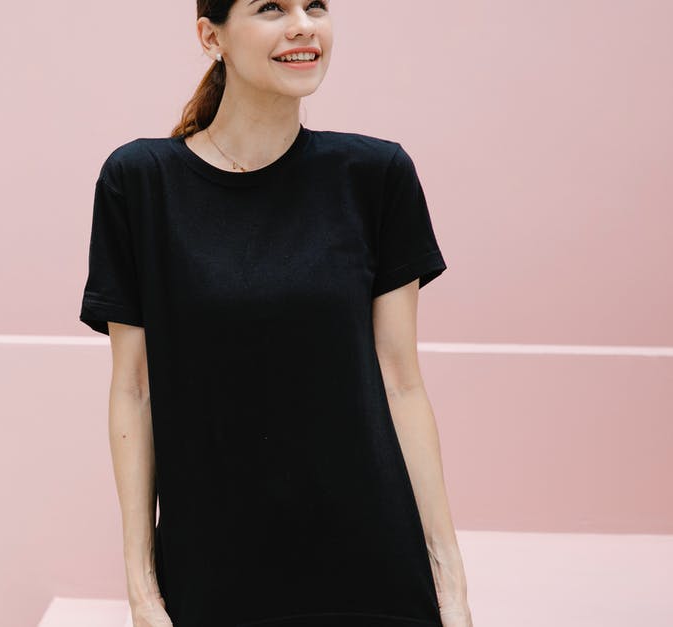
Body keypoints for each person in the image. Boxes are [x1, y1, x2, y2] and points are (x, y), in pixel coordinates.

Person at [79, 2, 474, 625]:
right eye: (270, 8)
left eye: (314, 5)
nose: (302, 25)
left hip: (373, 572)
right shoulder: (141, 183)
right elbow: (134, 391)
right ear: (212, 37)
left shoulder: (375, 176)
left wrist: (450, 583)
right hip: (214, 577)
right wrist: (142, 590)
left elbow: (401, 383)